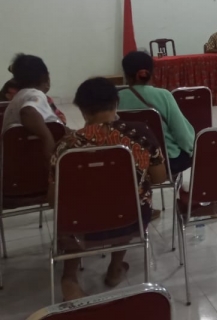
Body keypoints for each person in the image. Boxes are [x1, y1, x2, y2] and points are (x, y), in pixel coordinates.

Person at [49, 77, 166, 301]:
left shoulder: (67, 145)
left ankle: (70, 278)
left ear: (82, 110)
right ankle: (115, 267)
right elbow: (160, 178)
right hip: (131, 219)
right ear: (116, 103)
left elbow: (53, 199)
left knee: (72, 210)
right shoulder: (140, 133)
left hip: (80, 223)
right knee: (130, 201)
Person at [118, 51, 195, 175]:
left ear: (126, 74)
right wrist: (192, 151)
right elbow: (182, 134)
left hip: (129, 162)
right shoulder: (164, 95)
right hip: (167, 162)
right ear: (151, 72)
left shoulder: (116, 98)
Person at [1, 55, 61, 158]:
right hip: (33, 161)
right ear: (46, 77)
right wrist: (47, 138)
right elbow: (27, 111)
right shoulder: (35, 95)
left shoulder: (21, 96)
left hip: (13, 159)